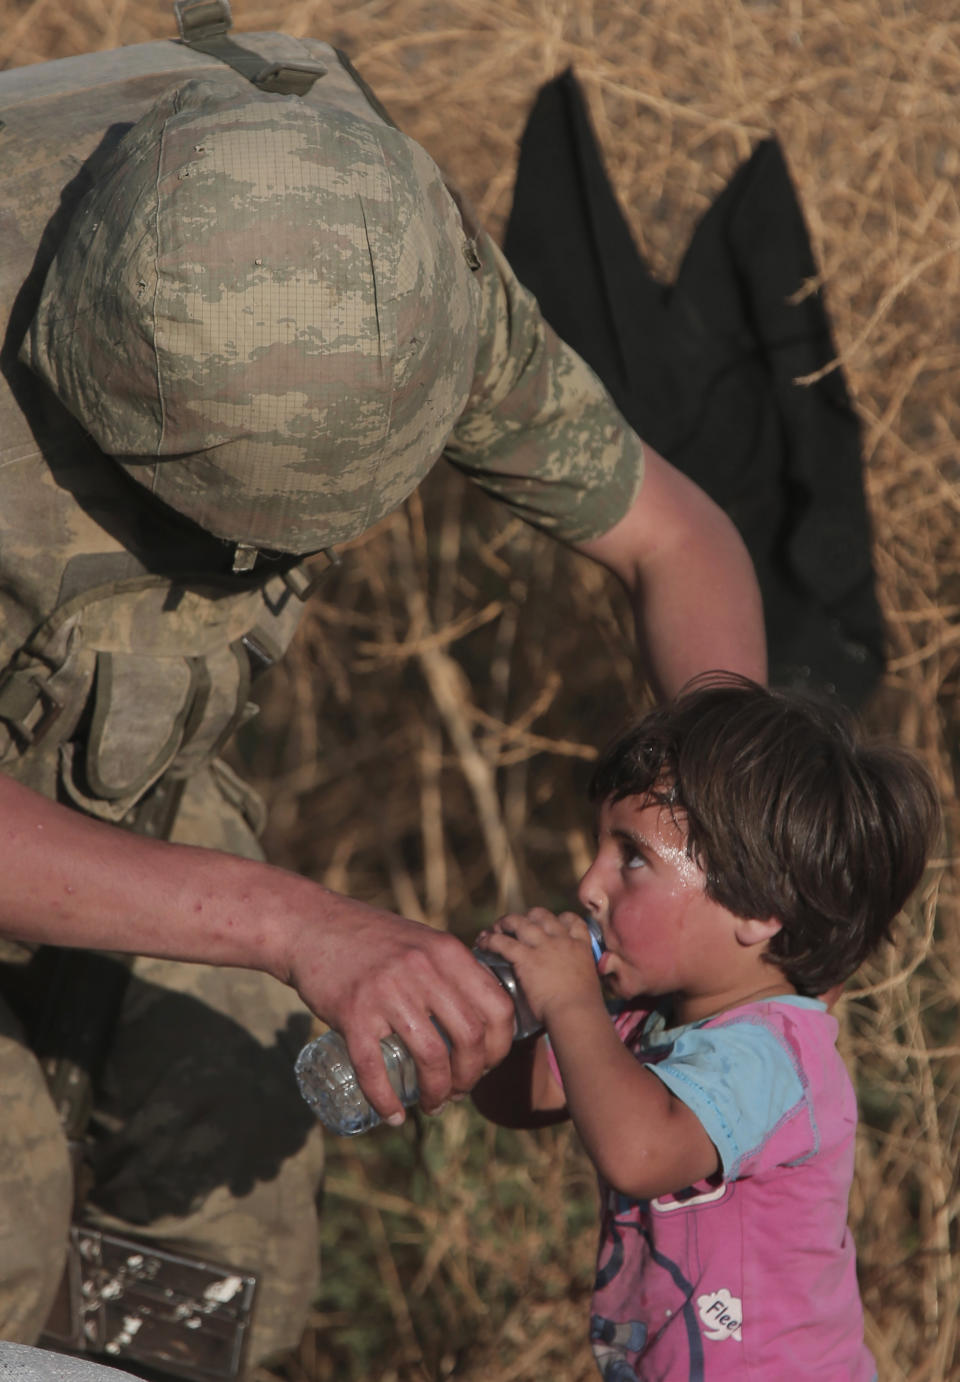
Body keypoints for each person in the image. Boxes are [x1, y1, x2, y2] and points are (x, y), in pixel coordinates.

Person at [0, 4, 766, 1372]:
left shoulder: (385, 276)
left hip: (138, 792)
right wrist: (302, 926)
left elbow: (672, 537)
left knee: (221, 1220)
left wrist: (717, 842)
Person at [472, 674, 940, 1380]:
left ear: (758, 904)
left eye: (631, 858)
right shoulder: (641, 1023)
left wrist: (568, 1003)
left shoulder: (774, 1054)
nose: (588, 885)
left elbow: (639, 1151)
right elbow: (516, 1100)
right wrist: (511, 1012)